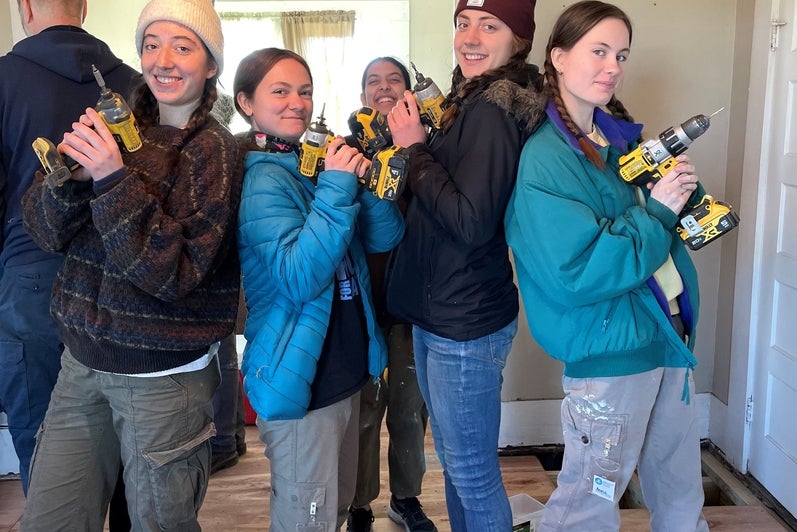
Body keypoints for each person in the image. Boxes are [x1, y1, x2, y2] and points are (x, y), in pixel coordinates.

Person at [19, 0, 242, 528]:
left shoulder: (215, 151)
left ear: (210, 64)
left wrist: (114, 181)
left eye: (182, 47)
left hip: (162, 381)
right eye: (150, 44)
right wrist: (69, 182)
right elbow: (45, 232)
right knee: (48, 520)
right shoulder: (111, 124)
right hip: (80, 364)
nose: (162, 59)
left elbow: (176, 274)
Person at [504, 2, 710, 531]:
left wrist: (683, 196)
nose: (613, 67)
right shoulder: (546, 159)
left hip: (667, 333)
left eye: (620, 54)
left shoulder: (620, 141)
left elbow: (652, 223)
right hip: (611, 351)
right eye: (598, 51)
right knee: (590, 501)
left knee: (679, 484)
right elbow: (577, 271)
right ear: (559, 57)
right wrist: (660, 209)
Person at [384, 0, 545, 529]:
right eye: (462, 23)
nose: (470, 37)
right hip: (443, 311)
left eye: (489, 25)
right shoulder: (467, 98)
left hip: (465, 321)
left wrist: (414, 151)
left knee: (471, 472)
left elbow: (471, 221)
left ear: (518, 39)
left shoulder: (493, 110)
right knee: (457, 467)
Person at [233, 47, 404, 531]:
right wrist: (336, 186)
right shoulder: (264, 178)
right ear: (247, 103)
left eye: (304, 91)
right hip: (301, 377)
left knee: (336, 505)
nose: (297, 103)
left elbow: (384, 238)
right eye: (280, 91)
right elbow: (298, 276)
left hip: (343, 370)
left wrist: (365, 180)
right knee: (307, 517)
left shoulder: (311, 166)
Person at [0, 0, 138, 496]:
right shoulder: (133, 85)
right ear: (84, 7)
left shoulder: (3, 79)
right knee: (128, 436)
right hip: (118, 276)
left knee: (41, 436)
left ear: (25, 7)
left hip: (30, 273)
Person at [346, 57, 435, 532]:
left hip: (411, 306)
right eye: (373, 82)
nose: (383, 88)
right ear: (363, 95)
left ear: (409, 93)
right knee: (363, 414)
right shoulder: (344, 150)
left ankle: (406, 499)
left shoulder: (428, 147)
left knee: (407, 410)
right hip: (360, 307)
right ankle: (359, 505)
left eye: (394, 80)